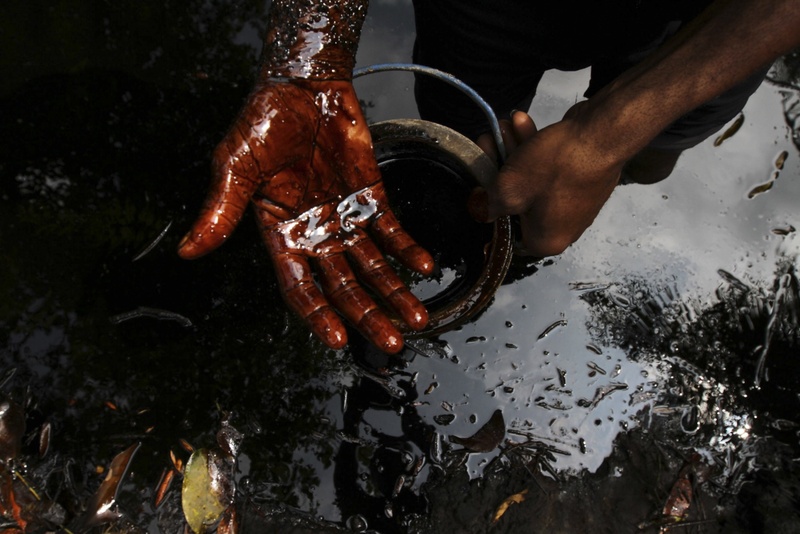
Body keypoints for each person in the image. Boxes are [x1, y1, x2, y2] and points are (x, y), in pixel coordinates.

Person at [177, 0, 800, 353]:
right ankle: (482, 219)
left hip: (712, 22)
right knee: (465, 138)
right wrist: (305, 62)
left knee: (648, 156)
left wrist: (607, 136)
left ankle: (583, 178)